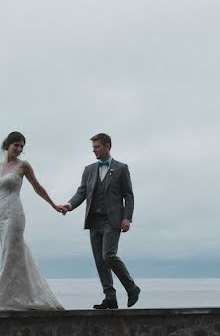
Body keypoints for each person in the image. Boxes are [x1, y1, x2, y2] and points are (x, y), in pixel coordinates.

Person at [0, 131, 66, 311]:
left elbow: (38, 187)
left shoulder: (24, 166)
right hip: (1, 215)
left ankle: (4, 300)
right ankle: (17, 296)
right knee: (8, 252)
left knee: (13, 252)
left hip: (15, 212)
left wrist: (53, 205)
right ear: (8, 145)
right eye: (16, 145)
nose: (19, 149)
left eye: (22, 146)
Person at [60, 132, 140, 309]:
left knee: (108, 255)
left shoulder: (121, 168)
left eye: (97, 147)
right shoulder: (89, 170)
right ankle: (110, 297)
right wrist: (69, 205)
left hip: (113, 220)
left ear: (107, 146)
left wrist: (127, 218)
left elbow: (129, 195)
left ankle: (132, 287)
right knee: (99, 260)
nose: (94, 150)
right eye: (93, 147)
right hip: (93, 220)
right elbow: (82, 192)